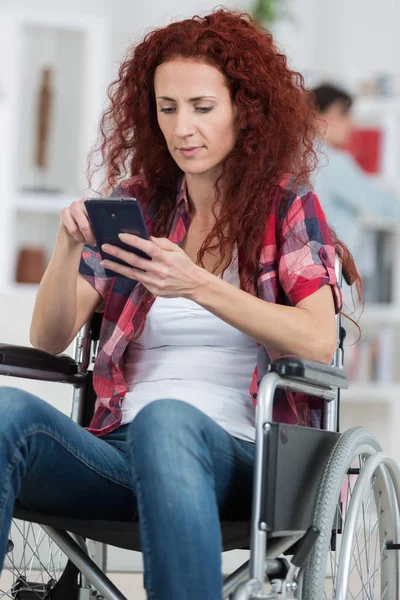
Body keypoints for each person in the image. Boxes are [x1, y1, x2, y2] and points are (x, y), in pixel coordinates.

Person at [0, 11, 360, 600]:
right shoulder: (139, 207)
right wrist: (66, 248)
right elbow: (49, 337)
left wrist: (197, 284)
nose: (182, 127)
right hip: (123, 454)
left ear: (243, 110)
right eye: (167, 108)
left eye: (201, 106)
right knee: (7, 414)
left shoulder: (285, 206)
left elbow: (318, 340)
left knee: (168, 419)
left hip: (248, 460)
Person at [312, 83, 400, 256]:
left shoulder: (295, 156)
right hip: (328, 271)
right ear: (317, 116)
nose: (351, 124)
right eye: (343, 114)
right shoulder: (330, 161)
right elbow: (379, 203)